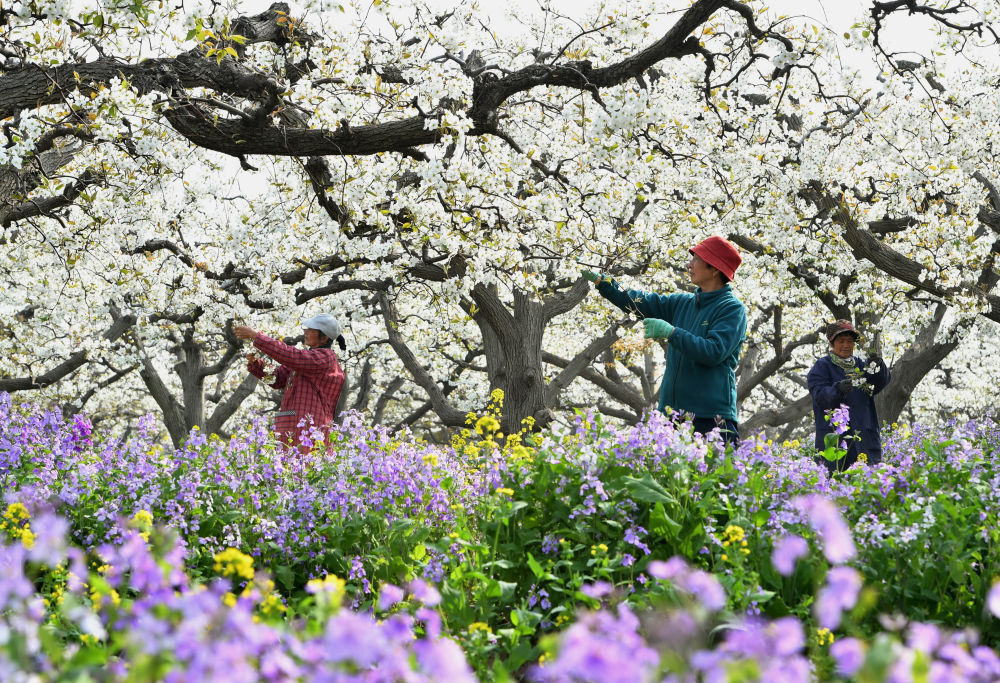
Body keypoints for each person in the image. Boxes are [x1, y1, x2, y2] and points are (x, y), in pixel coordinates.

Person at [582, 236, 747, 444]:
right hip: (671, 417)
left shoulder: (731, 309)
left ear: (714, 268)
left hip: (711, 418)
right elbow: (639, 303)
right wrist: (603, 282)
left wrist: (672, 333)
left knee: (716, 476)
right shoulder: (683, 303)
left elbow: (713, 352)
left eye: (696, 259)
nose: (689, 264)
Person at [234, 314, 346, 450]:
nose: (305, 331)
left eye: (311, 329)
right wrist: (256, 363)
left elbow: (292, 356)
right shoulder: (307, 359)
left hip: (311, 430)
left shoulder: (326, 357)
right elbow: (277, 379)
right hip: (293, 427)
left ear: (324, 337)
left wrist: (257, 336)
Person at [807, 319, 890, 473]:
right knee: (837, 481)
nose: (846, 345)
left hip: (864, 434)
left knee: (868, 481)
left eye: (850, 341)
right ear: (832, 343)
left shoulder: (860, 365)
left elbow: (877, 385)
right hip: (836, 438)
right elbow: (820, 397)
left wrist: (878, 368)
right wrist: (837, 389)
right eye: (841, 341)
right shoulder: (822, 367)